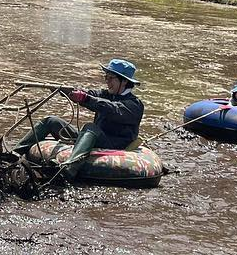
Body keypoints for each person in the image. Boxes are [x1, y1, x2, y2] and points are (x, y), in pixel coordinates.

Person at [13, 59, 144, 180]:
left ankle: (68, 169)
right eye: (106, 77)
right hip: (93, 139)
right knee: (50, 121)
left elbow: (111, 108)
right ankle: (14, 154)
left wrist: (85, 99)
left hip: (114, 144)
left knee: (90, 127)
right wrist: (68, 91)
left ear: (125, 81)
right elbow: (90, 94)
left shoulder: (134, 105)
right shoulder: (106, 94)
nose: (107, 82)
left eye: (111, 78)